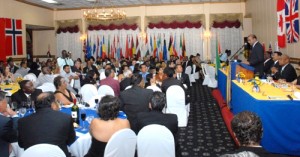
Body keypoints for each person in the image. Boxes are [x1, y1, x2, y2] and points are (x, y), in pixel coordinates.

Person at [18, 92, 76, 157]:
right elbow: (71, 140)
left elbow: (21, 144)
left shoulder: (22, 121)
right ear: (53, 104)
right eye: (57, 102)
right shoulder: (65, 118)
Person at [136, 92, 181, 157]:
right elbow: (175, 141)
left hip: (145, 151)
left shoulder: (140, 117)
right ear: (164, 105)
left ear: (149, 105)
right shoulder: (173, 119)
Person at [0, 91, 19, 157]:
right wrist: (14, 116)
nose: (7, 105)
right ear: (1, 103)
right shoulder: (5, 121)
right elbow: (15, 135)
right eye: (6, 102)